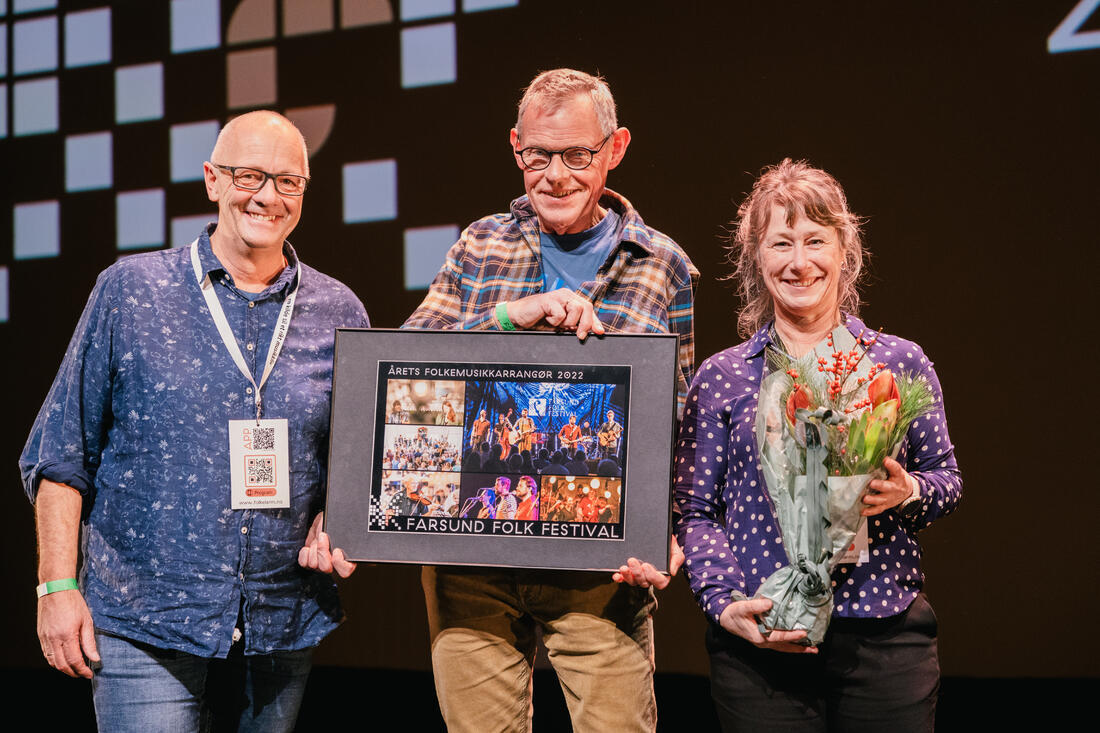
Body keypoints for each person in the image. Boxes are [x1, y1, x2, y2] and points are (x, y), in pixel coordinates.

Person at [19, 111, 367, 732]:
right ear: (212, 180)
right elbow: (60, 455)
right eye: (250, 175)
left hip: (282, 622)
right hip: (144, 618)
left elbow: (361, 460)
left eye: (288, 182)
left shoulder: (338, 310)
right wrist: (56, 588)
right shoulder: (131, 290)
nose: (267, 196)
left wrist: (338, 515)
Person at [402, 68, 697, 731]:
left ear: (614, 149)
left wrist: (666, 528)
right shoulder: (480, 245)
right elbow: (408, 368)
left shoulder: (661, 264)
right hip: (470, 558)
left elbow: (674, 419)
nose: (556, 174)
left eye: (577, 155)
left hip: (600, 568)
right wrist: (511, 319)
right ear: (516, 148)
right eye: (539, 154)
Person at [674, 159, 962, 732]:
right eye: (781, 243)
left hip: (883, 637)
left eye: (814, 241)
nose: (799, 262)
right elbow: (694, 511)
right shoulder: (723, 378)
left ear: (844, 249)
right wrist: (724, 602)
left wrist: (907, 491)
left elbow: (945, 481)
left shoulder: (896, 362)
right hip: (763, 641)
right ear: (757, 255)